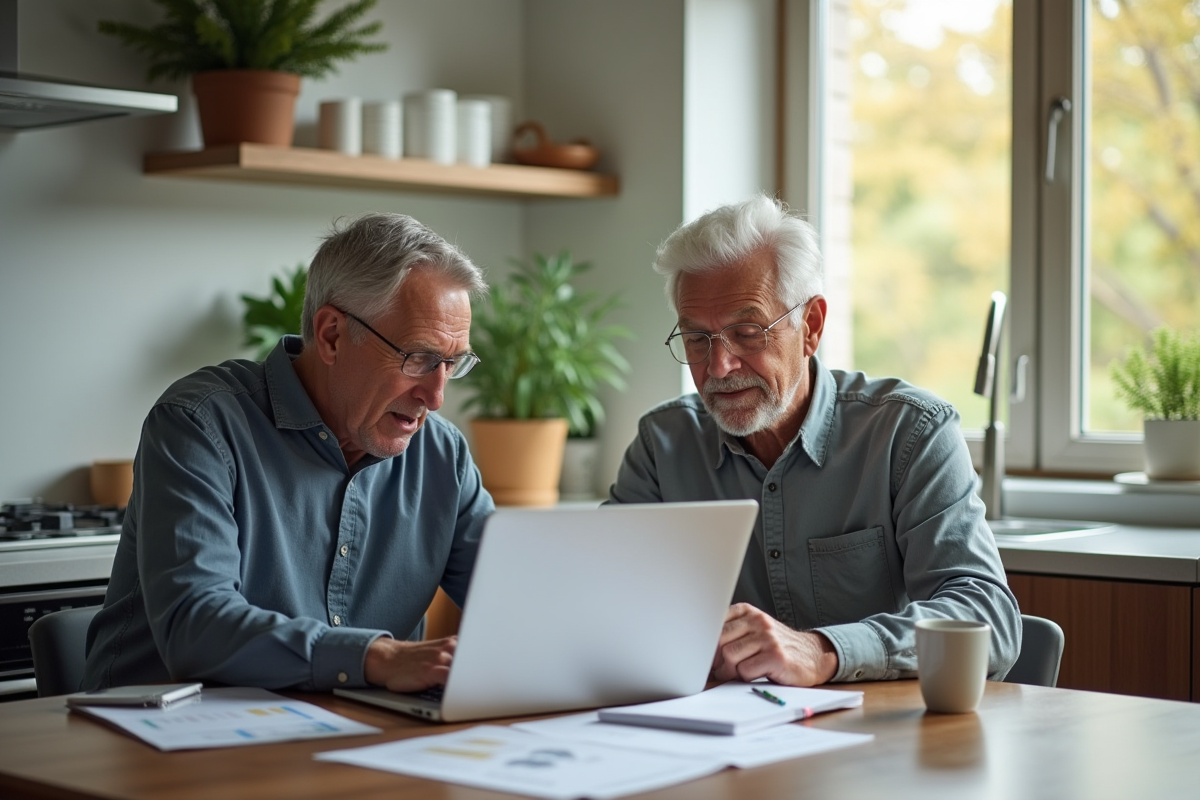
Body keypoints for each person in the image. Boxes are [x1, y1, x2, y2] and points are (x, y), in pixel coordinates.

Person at [607, 195, 1021, 687]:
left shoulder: (908, 433)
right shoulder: (663, 445)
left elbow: (987, 619)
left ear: (812, 327)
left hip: (881, 739)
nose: (719, 366)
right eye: (698, 339)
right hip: (727, 738)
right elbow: (605, 603)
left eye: (747, 331)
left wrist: (824, 650)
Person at [83, 213, 494, 693]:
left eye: (451, 363)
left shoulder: (442, 455)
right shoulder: (200, 424)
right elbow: (196, 628)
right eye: (418, 359)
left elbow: (522, 598)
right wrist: (377, 657)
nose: (436, 396)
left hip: (342, 740)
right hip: (153, 743)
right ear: (332, 335)